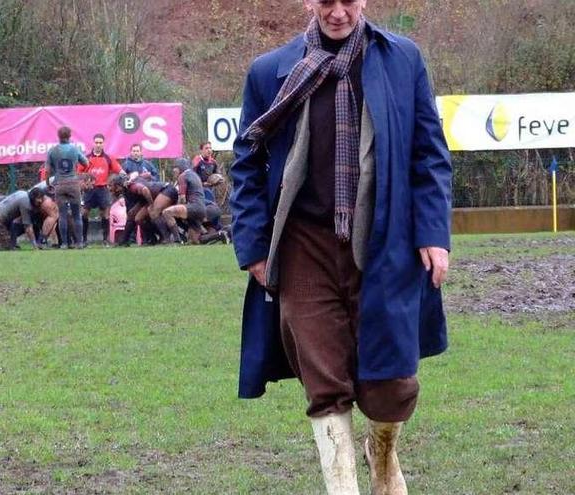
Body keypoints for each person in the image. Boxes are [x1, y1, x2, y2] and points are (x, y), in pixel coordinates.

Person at [229, 1, 452, 493]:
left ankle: (383, 451)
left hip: (385, 241)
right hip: (303, 243)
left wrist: (433, 232)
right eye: (325, 0)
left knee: (392, 381)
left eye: (347, 1)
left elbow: (429, 154)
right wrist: (253, 247)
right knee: (324, 381)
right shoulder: (270, 72)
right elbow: (246, 160)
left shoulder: (403, 60)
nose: (336, 12)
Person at [46, 126, 89, 249]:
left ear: (58, 136)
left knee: (62, 215)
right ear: (70, 136)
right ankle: (79, 243)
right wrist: (78, 174)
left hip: (59, 184)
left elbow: (47, 170)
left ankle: (64, 243)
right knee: (76, 214)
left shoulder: (52, 151)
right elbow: (86, 163)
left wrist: (48, 183)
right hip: (73, 184)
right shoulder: (75, 149)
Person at [79, 133, 123, 246]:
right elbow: (78, 172)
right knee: (84, 213)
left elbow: (119, 170)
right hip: (89, 190)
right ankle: (84, 240)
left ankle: (105, 240)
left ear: (103, 144)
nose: (98, 144)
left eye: (100, 142)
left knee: (105, 214)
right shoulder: (86, 158)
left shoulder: (108, 158)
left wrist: (127, 176)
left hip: (103, 189)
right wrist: (83, 181)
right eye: (96, 142)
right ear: (93, 143)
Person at [160, 159, 206, 244]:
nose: (174, 170)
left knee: (167, 212)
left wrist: (178, 210)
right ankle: (219, 235)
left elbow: (182, 198)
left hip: (193, 206)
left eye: (175, 167)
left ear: (180, 167)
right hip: (202, 208)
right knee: (195, 241)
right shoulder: (194, 175)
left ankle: (178, 240)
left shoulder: (182, 176)